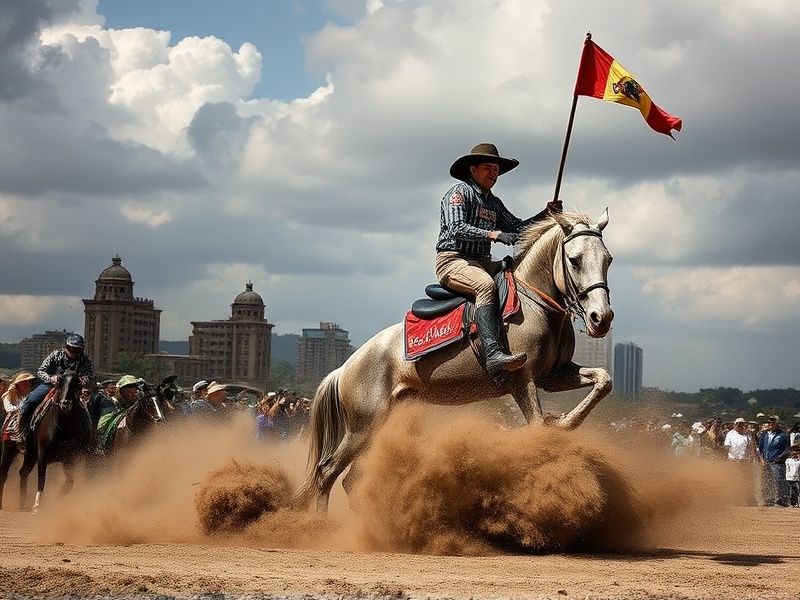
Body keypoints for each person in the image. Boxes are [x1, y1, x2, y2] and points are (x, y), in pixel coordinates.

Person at [436, 143, 559, 380]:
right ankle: (492, 354)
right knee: (485, 286)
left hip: (483, 262)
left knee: (518, 278)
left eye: (496, 170)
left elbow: (518, 228)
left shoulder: (494, 203)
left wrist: (546, 214)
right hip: (453, 261)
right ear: (472, 170)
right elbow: (456, 228)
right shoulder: (458, 194)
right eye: (488, 168)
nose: (493, 174)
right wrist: (493, 234)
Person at [18, 333, 93, 438]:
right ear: (66, 347)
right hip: (51, 385)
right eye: (71, 348)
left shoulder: (85, 359)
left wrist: (82, 381)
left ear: (82, 349)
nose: (73, 352)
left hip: (74, 389)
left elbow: (88, 375)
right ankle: (23, 432)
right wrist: (50, 378)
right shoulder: (55, 355)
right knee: (31, 400)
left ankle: (90, 437)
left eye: (77, 349)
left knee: (89, 407)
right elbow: (41, 371)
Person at [757, 415, 791, 506]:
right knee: (766, 480)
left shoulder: (783, 435)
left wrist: (779, 457)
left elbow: (787, 449)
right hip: (766, 461)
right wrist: (761, 460)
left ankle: (780, 499)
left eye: (772, 423)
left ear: (776, 424)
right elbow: (760, 449)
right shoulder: (764, 435)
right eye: (769, 423)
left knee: (778, 480)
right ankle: (768, 499)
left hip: (777, 462)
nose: (770, 424)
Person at [2, 372, 36, 441]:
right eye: (25, 382)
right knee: (10, 431)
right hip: (13, 417)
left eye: (28, 382)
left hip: (27, 415)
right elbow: (8, 408)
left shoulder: (29, 395)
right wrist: (20, 409)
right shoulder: (8, 395)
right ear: (19, 384)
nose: (28, 384)